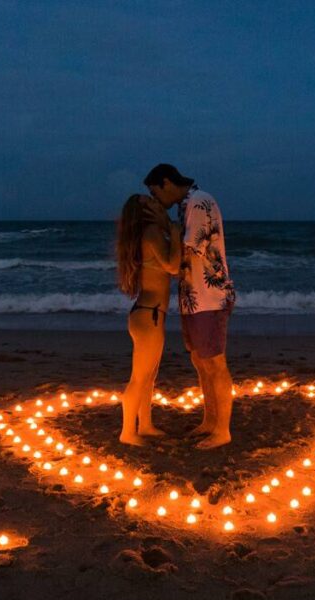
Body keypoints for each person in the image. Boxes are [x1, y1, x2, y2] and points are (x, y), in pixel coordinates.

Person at [143, 164, 236, 449]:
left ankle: (222, 430)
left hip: (208, 297)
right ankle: (210, 420)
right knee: (200, 361)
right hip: (194, 297)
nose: (156, 199)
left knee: (215, 362)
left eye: (155, 192)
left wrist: (161, 234)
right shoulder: (187, 206)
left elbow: (184, 254)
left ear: (167, 182)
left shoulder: (198, 203)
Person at [115, 193, 182, 445]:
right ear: (145, 213)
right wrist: (174, 234)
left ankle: (145, 425)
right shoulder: (153, 233)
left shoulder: (147, 235)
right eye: (150, 202)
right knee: (140, 377)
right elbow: (173, 267)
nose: (156, 202)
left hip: (146, 314)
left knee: (149, 376)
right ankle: (127, 433)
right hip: (150, 315)